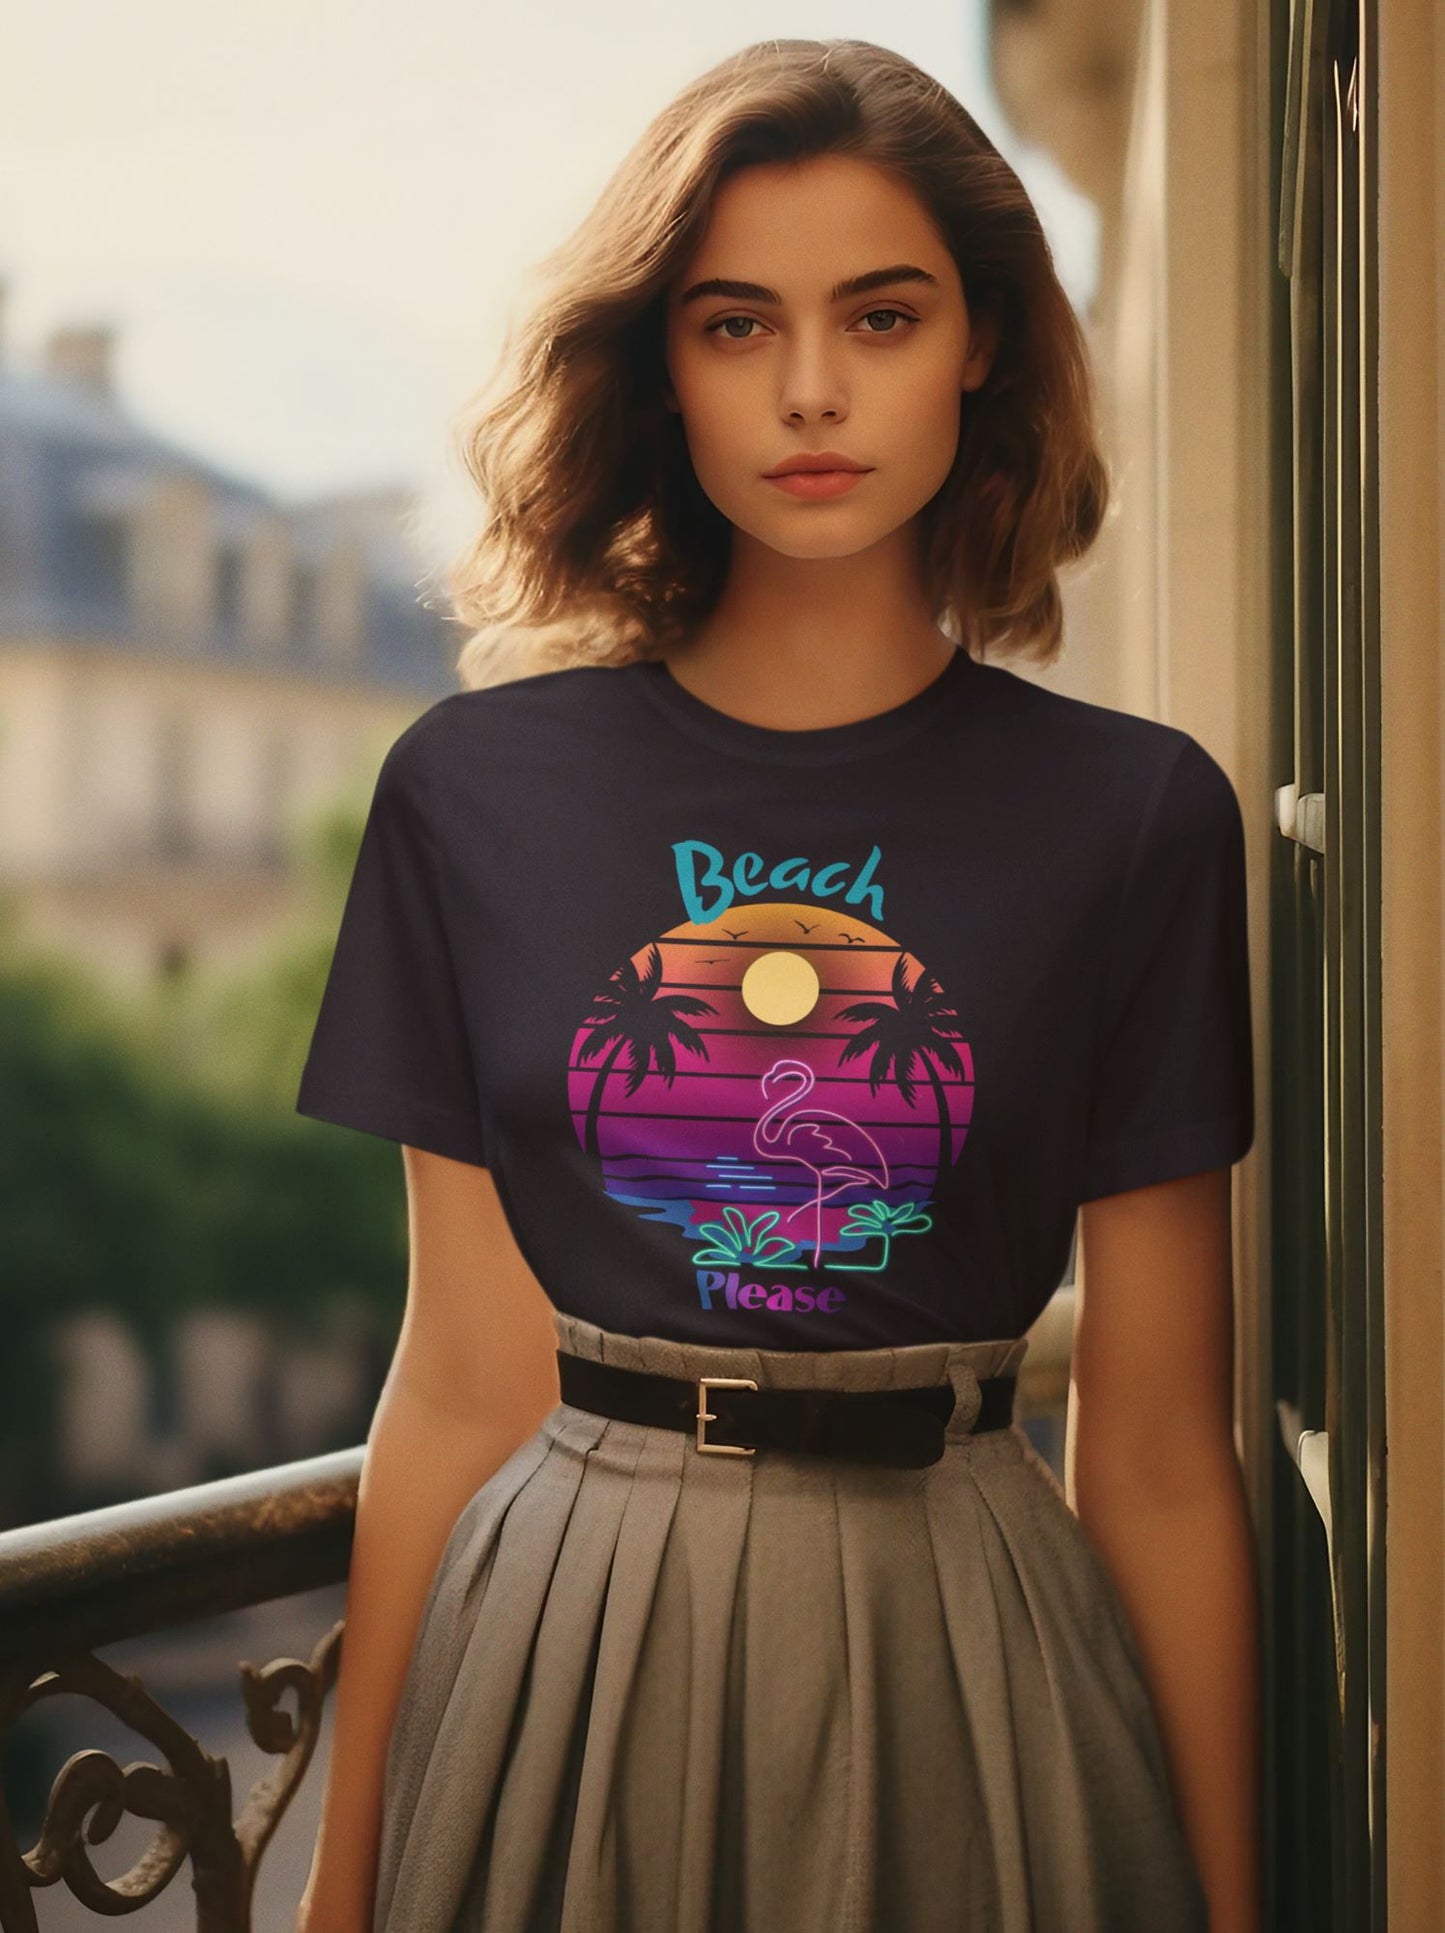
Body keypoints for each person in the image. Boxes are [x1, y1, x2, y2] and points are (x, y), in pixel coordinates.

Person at [293, 37, 1261, 1933]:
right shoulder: (474, 794)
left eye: (877, 317)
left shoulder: (1135, 816)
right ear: (658, 360)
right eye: (736, 325)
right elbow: (462, 1380)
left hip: (969, 1648)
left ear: (977, 340)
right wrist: (343, 1885)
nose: (808, 391)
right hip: (566, 1648)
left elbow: (1153, 1453)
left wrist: (1232, 1905)